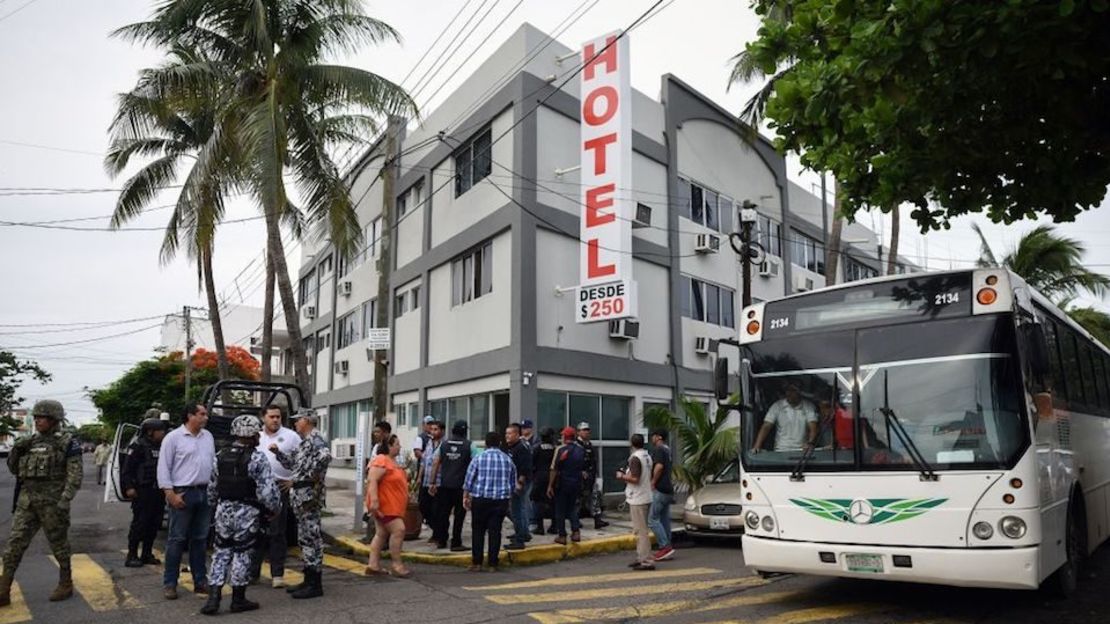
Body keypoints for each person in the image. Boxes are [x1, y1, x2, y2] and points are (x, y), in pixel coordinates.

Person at [0, 400, 82, 606]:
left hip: (53, 504)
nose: (37, 421)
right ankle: (3, 589)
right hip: (27, 503)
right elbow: (14, 470)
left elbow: (75, 475)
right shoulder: (28, 442)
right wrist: (16, 450)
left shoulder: (67, 443)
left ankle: (66, 582)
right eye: (35, 417)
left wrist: (65, 499)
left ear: (54, 420)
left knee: (59, 545)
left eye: (42, 418)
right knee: (14, 545)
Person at [200, 416, 281, 615]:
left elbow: (212, 486)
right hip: (247, 512)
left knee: (221, 552)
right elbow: (267, 491)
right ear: (253, 435)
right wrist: (274, 509)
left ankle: (213, 599)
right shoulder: (257, 457)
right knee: (242, 553)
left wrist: (213, 506)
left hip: (223, 510)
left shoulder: (220, 455)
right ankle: (238, 599)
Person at [158, 403, 216, 600]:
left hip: (204, 492)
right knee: (176, 540)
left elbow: (213, 464)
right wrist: (170, 493)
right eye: (202, 414)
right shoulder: (173, 438)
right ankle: (170, 583)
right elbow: (164, 467)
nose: (206, 417)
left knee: (200, 540)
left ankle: (200, 581)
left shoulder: (207, 436)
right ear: (190, 416)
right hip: (182, 493)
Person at [271, 409, 331, 599]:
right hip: (300, 498)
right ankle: (308, 578)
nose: (295, 423)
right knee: (304, 539)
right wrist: (278, 453)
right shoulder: (305, 443)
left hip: (308, 497)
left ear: (306, 421)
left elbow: (325, 457)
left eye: (298, 420)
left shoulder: (316, 440)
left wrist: (301, 480)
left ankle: (315, 583)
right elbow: (293, 464)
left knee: (312, 539)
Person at [252, 405, 299, 588]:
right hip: (257, 488)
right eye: (271, 416)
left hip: (279, 487)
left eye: (278, 417)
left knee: (277, 532)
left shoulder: (291, 436)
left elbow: (302, 461)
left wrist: (293, 481)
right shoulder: (256, 436)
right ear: (263, 417)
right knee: (255, 531)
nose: (275, 420)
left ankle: (277, 574)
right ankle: (252, 573)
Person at [463, 431, 516, 572]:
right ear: (499, 443)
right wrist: (508, 499)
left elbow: (469, 479)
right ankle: (493, 563)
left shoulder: (478, 458)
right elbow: (512, 482)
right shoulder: (507, 460)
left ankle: (477, 562)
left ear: (486, 443)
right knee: (495, 531)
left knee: (478, 531)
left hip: (481, 499)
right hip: (500, 500)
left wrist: (466, 496)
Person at [121, 416, 169, 568]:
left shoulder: (163, 447)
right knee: (140, 524)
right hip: (142, 491)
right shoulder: (138, 446)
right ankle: (132, 555)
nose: (163, 434)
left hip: (158, 491)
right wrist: (129, 487)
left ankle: (147, 553)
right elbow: (127, 470)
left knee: (154, 523)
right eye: (160, 431)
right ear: (150, 432)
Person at [363, 434, 412, 578]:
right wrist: (375, 501)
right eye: (397, 444)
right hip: (385, 505)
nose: (399, 447)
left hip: (392, 506)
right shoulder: (381, 460)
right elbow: (372, 481)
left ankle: (373, 565)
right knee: (399, 530)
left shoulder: (392, 462)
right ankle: (397, 564)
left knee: (381, 534)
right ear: (389, 446)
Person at [429, 420, 471, 551]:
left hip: (445, 486)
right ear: (465, 432)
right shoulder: (470, 445)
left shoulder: (444, 444)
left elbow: (435, 462)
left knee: (443, 514)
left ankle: (442, 540)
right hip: (461, 487)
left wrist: (432, 482)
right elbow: (476, 464)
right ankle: (456, 542)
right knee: (459, 516)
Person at [617, 434, 655, 571]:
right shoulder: (647, 456)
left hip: (638, 498)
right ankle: (641, 557)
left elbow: (635, 478)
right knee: (640, 529)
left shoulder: (635, 458)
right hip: (646, 496)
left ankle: (646, 560)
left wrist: (622, 476)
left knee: (641, 531)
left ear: (631, 444)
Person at [547, 426, 586, 544]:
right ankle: (576, 532)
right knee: (572, 508)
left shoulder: (560, 449)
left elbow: (554, 469)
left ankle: (562, 535)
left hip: (562, 483)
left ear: (565, 437)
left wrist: (550, 485)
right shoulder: (580, 449)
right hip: (576, 483)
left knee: (560, 510)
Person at [751, 383, 818, 452]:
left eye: (793, 390)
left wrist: (810, 443)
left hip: (802, 451)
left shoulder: (809, 406)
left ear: (799, 392)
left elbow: (813, 427)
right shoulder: (777, 406)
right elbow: (766, 426)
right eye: (788, 390)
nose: (789, 393)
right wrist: (757, 445)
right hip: (781, 450)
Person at [647, 428, 675, 563]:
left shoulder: (659, 450)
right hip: (668, 489)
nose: (651, 439)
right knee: (664, 519)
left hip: (661, 489)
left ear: (658, 437)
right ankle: (668, 545)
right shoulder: (668, 449)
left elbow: (659, 467)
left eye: (653, 436)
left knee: (652, 520)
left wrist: (653, 482)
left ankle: (664, 546)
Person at [504, 423, 533, 550]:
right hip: (513, 482)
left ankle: (520, 539)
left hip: (519, 483)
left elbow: (524, 468)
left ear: (517, 434)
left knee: (517, 510)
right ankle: (522, 533)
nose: (507, 436)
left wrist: (519, 483)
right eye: (506, 433)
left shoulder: (521, 448)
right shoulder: (512, 447)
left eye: (510, 433)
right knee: (518, 509)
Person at [575, 422, 609, 529]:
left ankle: (597, 520)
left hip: (591, 475)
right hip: (580, 477)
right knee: (578, 499)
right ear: (578, 432)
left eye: (587, 430)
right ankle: (575, 520)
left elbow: (593, 461)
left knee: (595, 497)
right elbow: (575, 460)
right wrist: (580, 471)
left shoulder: (589, 444)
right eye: (584, 430)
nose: (586, 432)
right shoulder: (576, 445)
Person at [416, 420, 443, 543]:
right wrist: (419, 477)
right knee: (423, 507)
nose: (432, 432)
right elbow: (423, 461)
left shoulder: (444, 445)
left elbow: (438, 463)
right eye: (431, 429)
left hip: (437, 483)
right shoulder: (429, 444)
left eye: (435, 429)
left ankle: (438, 533)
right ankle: (437, 529)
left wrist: (433, 483)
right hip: (425, 482)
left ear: (442, 431)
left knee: (436, 509)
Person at [530, 428, 557, 535]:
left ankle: (540, 527)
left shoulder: (536, 448)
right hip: (553, 478)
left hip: (539, 478)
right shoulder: (555, 449)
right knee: (553, 502)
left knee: (538, 503)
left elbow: (531, 463)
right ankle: (554, 526)